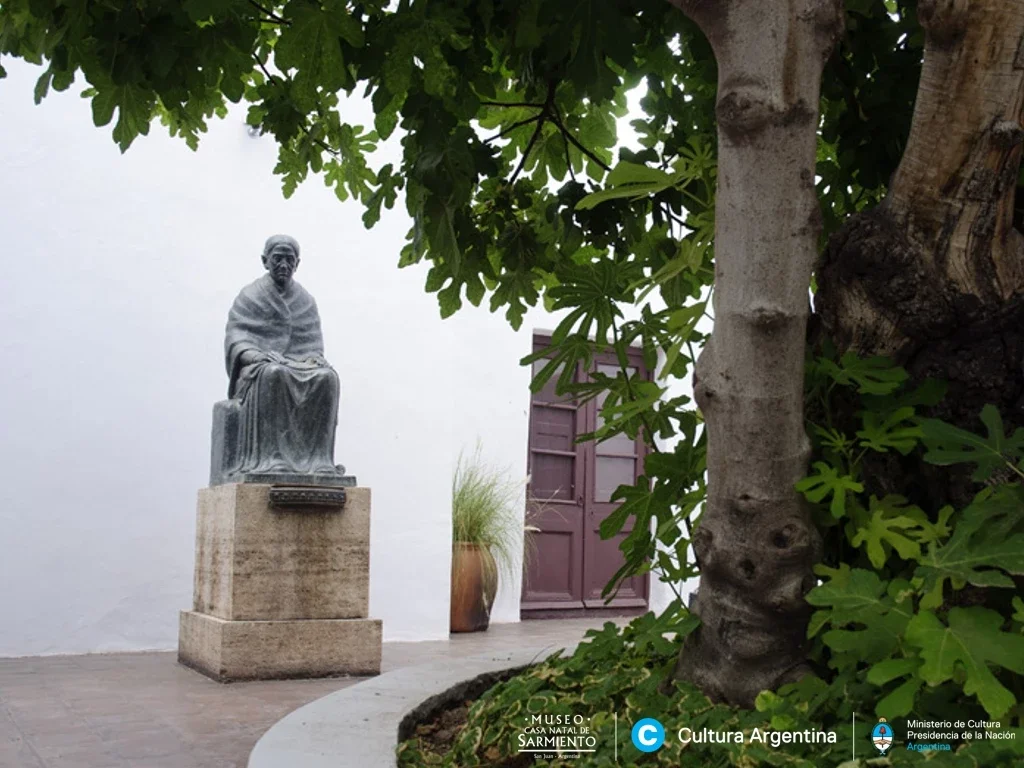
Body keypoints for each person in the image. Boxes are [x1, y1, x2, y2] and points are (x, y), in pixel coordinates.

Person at [221, 234, 342, 479]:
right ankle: (271, 459)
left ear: (297, 263)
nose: (284, 265)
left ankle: (320, 462)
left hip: (297, 364)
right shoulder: (250, 295)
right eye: (277, 259)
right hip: (259, 366)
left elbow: (312, 342)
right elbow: (237, 335)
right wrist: (254, 355)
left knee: (328, 378)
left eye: (289, 260)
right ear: (265, 261)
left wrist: (312, 359)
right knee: (274, 374)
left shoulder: (305, 300)